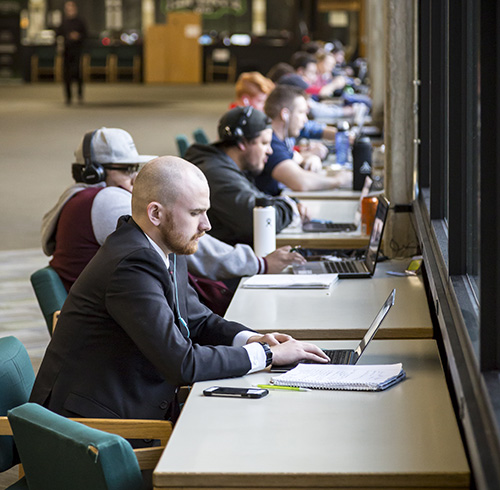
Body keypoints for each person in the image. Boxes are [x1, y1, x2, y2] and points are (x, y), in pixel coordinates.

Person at [30, 156, 328, 426]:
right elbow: (182, 363)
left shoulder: (164, 247)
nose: (207, 225)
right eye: (196, 213)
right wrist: (266, 355)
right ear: (156, 213)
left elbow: (197, 319)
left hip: (132, 406)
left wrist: (252, 338)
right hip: (93, 431)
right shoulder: (131, 265)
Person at [42, 127, 305, 292]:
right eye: (125, 170)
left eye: (136, 169)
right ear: (93, 172)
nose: (135, 179)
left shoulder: (76, 198)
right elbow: (187, 246)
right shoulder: (107, 201)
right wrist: (259, 263)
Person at [184, 106, 309, 245]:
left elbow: (258, 200)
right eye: (264, 143)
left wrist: (287, 204)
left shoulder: (225, 166)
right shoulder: (216, 175)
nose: (270, 151)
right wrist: (290, 208)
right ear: (242, 143)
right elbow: (259, 219)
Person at [255, 85, 352, 196]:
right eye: (301, 112)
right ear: (285, 114)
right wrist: (339, 180)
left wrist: (311, 158)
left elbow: (296, 160)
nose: (305, 119)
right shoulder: (271, 143)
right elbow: (301, 182)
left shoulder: (280, 140)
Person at [56, 1, 87, 105]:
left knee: (77, 73)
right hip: (66, 51)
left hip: (77, 51)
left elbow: (86, 35)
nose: (69, 10)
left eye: (71, 8)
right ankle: (68, 96)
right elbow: (58, 36)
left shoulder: (80, 22)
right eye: (67, 8)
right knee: (67, 74)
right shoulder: (63, 23)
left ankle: (79, 94)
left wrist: (78, 36)